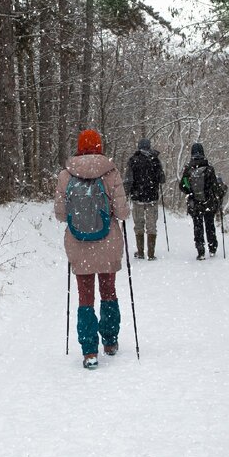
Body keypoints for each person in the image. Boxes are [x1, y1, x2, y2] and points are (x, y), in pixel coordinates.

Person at [55, 128, 130, 369]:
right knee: (108, 291)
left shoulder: (66, 175)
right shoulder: (111, 172)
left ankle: (89, 351)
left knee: (85, 296)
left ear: (79, 147)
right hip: (107, 242)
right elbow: (123, 212)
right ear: (99, 146)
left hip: (79, 244)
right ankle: (109, 341)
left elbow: (60, 214)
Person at [124, 137, 165, 260]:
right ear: (149, 146)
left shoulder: (133, 160)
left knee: (139, 224)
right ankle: (151, 254)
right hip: (152, 198)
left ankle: (141, 252)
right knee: (152, 225)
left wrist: (126, 194)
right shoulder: (155, 160)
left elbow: (128, 180)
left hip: (137, 198)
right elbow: (162, 179)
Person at [180, 142, 222, 260]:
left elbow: (182, 186)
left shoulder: (188, 169)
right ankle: (212, 248)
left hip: (195, 203)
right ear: (203, 152)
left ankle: (201, 251)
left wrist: (190, 192)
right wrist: (218, 194)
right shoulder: (209, 168)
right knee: (210, 225)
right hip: (208, 202)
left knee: (197, 226)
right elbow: (215, 187)